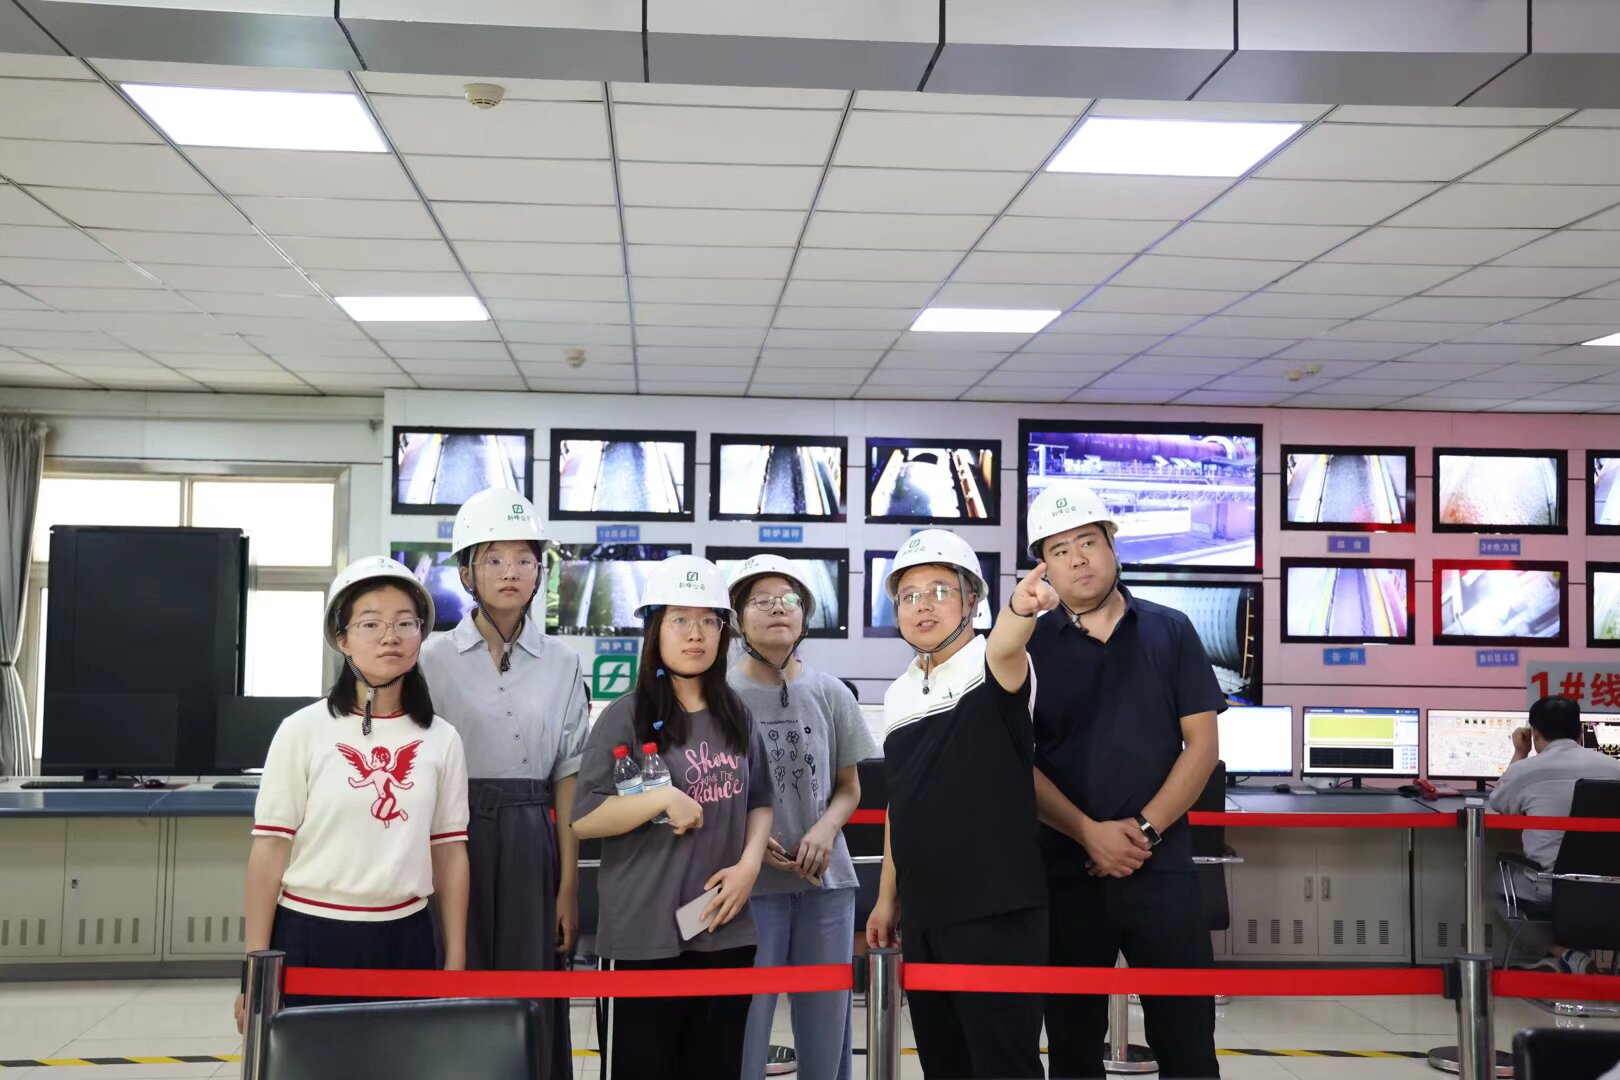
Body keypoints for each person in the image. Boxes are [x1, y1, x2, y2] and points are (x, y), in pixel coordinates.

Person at [1022, 483, 1223, 1080]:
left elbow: (1203, 746)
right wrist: (1089, 833)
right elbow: (1017, 760)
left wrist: (1142, 831)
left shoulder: (1170, 630)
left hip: (1161, 869)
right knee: (1072, 1046)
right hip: (1067, 873)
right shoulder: (1028, 646)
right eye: (1059, 550)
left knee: (1188, 1044)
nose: (1077, 559)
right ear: (1044, 566)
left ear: (1112, 544)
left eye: (1087, 541)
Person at [235, 556, 469, 1028]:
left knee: (403, 1060)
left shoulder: (441, 738)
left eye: (405, 623)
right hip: (312, 934)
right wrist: (255, 970)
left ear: (421, 634)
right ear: (342, 638)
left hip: (407, 935)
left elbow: (449, 854)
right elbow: (269, 852)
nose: (390, 637)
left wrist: (456, 961)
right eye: (370, 624)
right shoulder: (302, 730)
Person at [571, 555, 774, 1080]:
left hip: (724, 929)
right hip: (643, 936)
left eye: (708, 620)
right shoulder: (626, 714)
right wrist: (660, 798)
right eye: (679, 620)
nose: (695, 634)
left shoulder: (737, 714)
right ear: (655, 630)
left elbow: (760, 800)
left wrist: (749, 866)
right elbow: (584, 818)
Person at [865, 530, 1049, 1080]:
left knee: (1004, 1066)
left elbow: (1008, 641)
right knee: (944, 1064)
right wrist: (887, 896)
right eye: (909, 595)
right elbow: (900, 802)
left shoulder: (991, 662)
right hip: (925, 912)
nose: (923, 605)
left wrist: (1020, 607)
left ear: (973, 599)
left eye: (940, 590)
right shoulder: (897, 693)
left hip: (996, 911)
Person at [417, 488, 587, 1077]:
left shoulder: (563, 661)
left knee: (530, 986)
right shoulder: (430, 658)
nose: (511, 572)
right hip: (449, 832)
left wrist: (568, 884)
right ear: (467, 572)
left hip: (530, 835)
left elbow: (568, 774)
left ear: (541, 572)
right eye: (493, 559)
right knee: (455, 972)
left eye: (524, 559)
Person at [728, 554, 875, 1080]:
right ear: (737, 619)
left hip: (826, 884)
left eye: (789, 599)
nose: (777, 609)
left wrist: (826, 828)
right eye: (761, 601)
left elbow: (849, 788)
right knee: (746, 1024)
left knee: (826, 1026)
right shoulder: (721, 697)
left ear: (805, 614)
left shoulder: (831, 692)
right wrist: (751, 840)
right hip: (750, 888)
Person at [1491, 694, 1620, 974]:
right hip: (1612, 885)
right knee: (1586, 895)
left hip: (1551, 885)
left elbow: (1498, 803)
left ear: (1534, 734)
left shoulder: (1526, 770)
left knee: (1492, 886)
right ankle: (1572, 959)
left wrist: (1520, 753)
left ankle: (1561, 952)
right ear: (1579, 732)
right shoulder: (1615, 769)